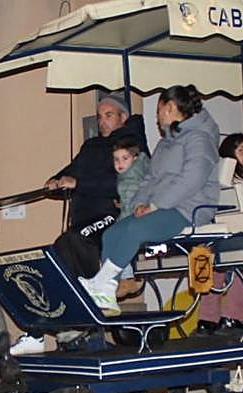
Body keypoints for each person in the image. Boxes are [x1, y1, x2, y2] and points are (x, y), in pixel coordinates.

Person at [10, 93, 144, 355]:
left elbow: (123, 185)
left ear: (123, 117)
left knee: (68, 242)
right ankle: (54, 327)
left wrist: (78, 184)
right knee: (56, 256)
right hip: (84, 220)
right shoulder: (91, 146)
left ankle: (45, 330)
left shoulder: (131, 145)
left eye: (108, 116)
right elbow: (73, 170)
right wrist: (56, 179)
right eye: (99, 117)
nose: (102, 122)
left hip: (109, 219)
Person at [79, 85, 219, 314]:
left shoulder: (200, 140)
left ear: (171, 108)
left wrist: (155, 205)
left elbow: (191, 180)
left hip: (188, 208)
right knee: (112, 232)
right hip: (160, 207)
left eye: (159, 110)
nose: (157, 117)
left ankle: (99, 282)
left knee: (135, 230)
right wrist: (138, 204)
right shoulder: (166, 143)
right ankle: (107, 289)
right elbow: (150, 179)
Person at [196, 134, 243, 334]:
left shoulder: (216, 177)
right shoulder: (231, 177)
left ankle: (207, 318)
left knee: (217, 269)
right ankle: (233, 315)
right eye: (241, 150)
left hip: (220, 236)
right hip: (236, 234)